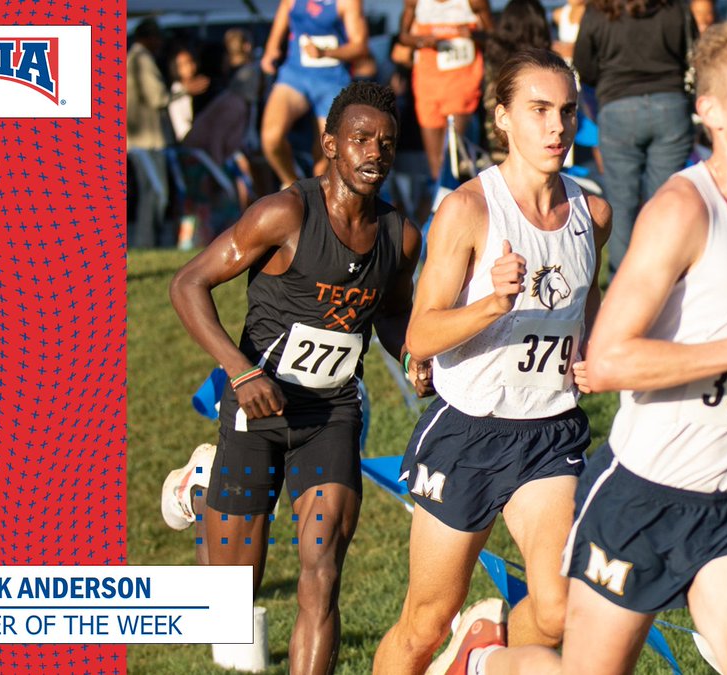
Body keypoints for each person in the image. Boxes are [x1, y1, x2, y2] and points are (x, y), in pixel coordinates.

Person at [441, 17, 727, 675]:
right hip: (643, 497)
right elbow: (606, 359)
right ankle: (488, 659)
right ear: (709, 110)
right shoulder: (683, 212)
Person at [169, 81, 429, 675]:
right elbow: (187, 283)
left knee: (323, 569)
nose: (374, 153)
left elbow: (389, 313)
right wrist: (239, 372)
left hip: (331, 414)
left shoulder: (399, 235)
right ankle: (203, 487)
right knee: (236, 597)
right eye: (360, 139)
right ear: (330, 144)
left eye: (386, 144)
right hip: (256, 409)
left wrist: (415, 356)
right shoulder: (286, 213)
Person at [373, 48, 611, 675]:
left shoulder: (594, 214)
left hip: (550, 431)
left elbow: (586, 298)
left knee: (559, 609)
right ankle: (463, 646)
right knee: (424, 625)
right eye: (538, 111)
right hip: (469, 432)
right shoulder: (469, 210)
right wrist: (493, 304)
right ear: (502, 117)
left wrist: (588, 345)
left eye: (565, 111)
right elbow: (418, 336)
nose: (557, 127)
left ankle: (487, 654)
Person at [575, 0, 696, 283]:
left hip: (618, 105)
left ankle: (622, 285)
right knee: (665, 202)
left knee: (621, 202)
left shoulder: (599, 9)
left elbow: (584, 65)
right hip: (670, 104)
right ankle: (666, 283)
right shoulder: (675, 7)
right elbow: (693, 54)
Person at [260, 0, 370, 189]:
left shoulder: (347, 3)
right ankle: (293, 187)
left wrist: (326, 52)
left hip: (332, 81)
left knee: (327, 157)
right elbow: (282, 17)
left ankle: (318, 201)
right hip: (295, 75)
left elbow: (360, 47)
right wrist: (271, 50)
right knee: (271, 138)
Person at [398, 0, 494, 180]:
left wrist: (473, 34)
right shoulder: (416, 2)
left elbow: (494, 35)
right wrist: (421, 40)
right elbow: (403, 36)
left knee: (454, 157)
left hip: (462, 86)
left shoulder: (473, 2)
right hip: (427, 86)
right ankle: (442, 201)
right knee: (435, 163)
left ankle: (459, 196)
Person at [483, 0, 553, 164]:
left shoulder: (493, 60)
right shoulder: (545, 63)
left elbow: (488, 101)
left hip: (498, 141)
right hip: (538, 143)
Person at [127, 18, 171, 248]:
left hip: (138, 140)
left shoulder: (133, 57)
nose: (160, 42)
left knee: (150, 193)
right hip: (145, 140)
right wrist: (181, 90)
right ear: (148, 37)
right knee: (154, 194)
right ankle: (146, 244)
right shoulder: (142, 58)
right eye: (157, 37)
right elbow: (157, 97)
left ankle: (147, 243)